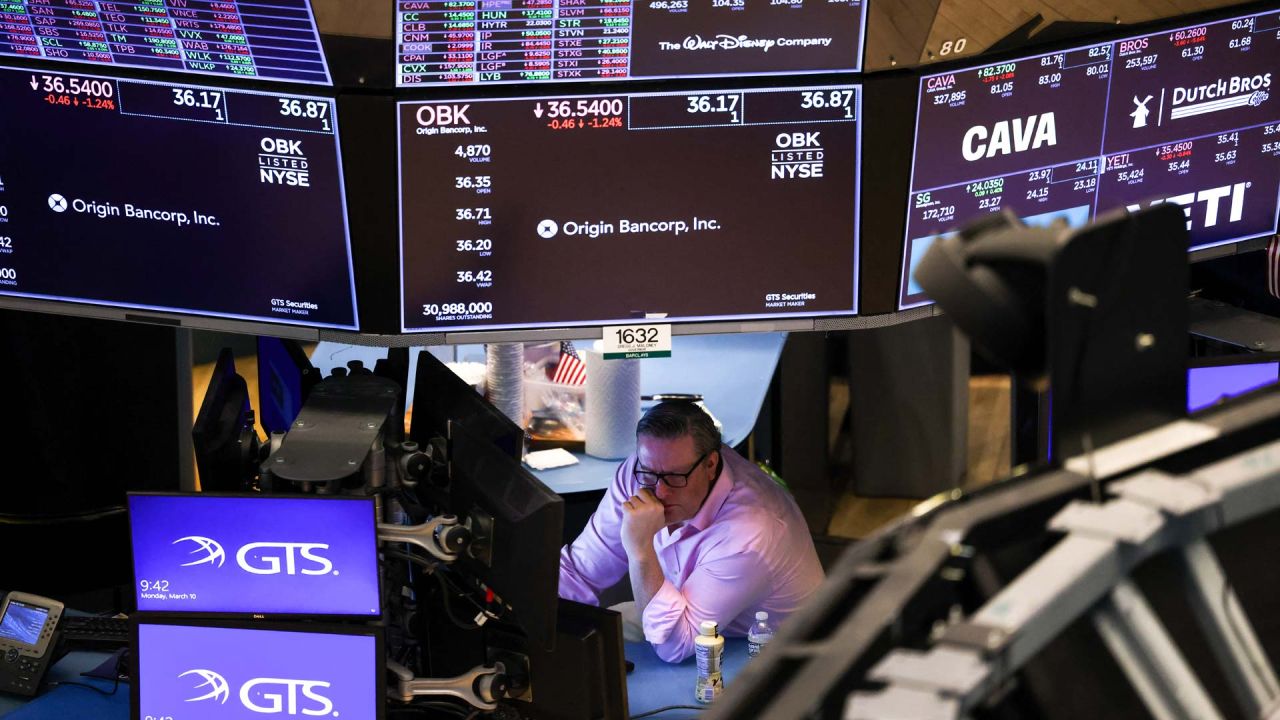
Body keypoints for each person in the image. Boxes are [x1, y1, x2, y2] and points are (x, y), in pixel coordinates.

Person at [559, 400, 825, 662]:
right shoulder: (643, 471)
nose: (660, 492)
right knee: (590, 636)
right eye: (649, 473)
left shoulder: (748, 535)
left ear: (710, 465)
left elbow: (675, 646)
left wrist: (640, 551)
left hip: (767, 653)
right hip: (688, 616)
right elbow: (578, 571)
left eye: (675, 477)